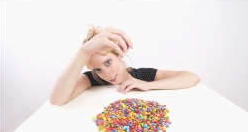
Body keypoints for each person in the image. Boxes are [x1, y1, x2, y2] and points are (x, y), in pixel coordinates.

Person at [50, 25, 200, 106]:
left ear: (119, 54)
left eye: (108, 62)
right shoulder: (93, 79)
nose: (106, 74)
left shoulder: (142, 75)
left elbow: (192, 78)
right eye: (98, 69)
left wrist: (148, 85)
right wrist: (83, 51)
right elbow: (57, 100)